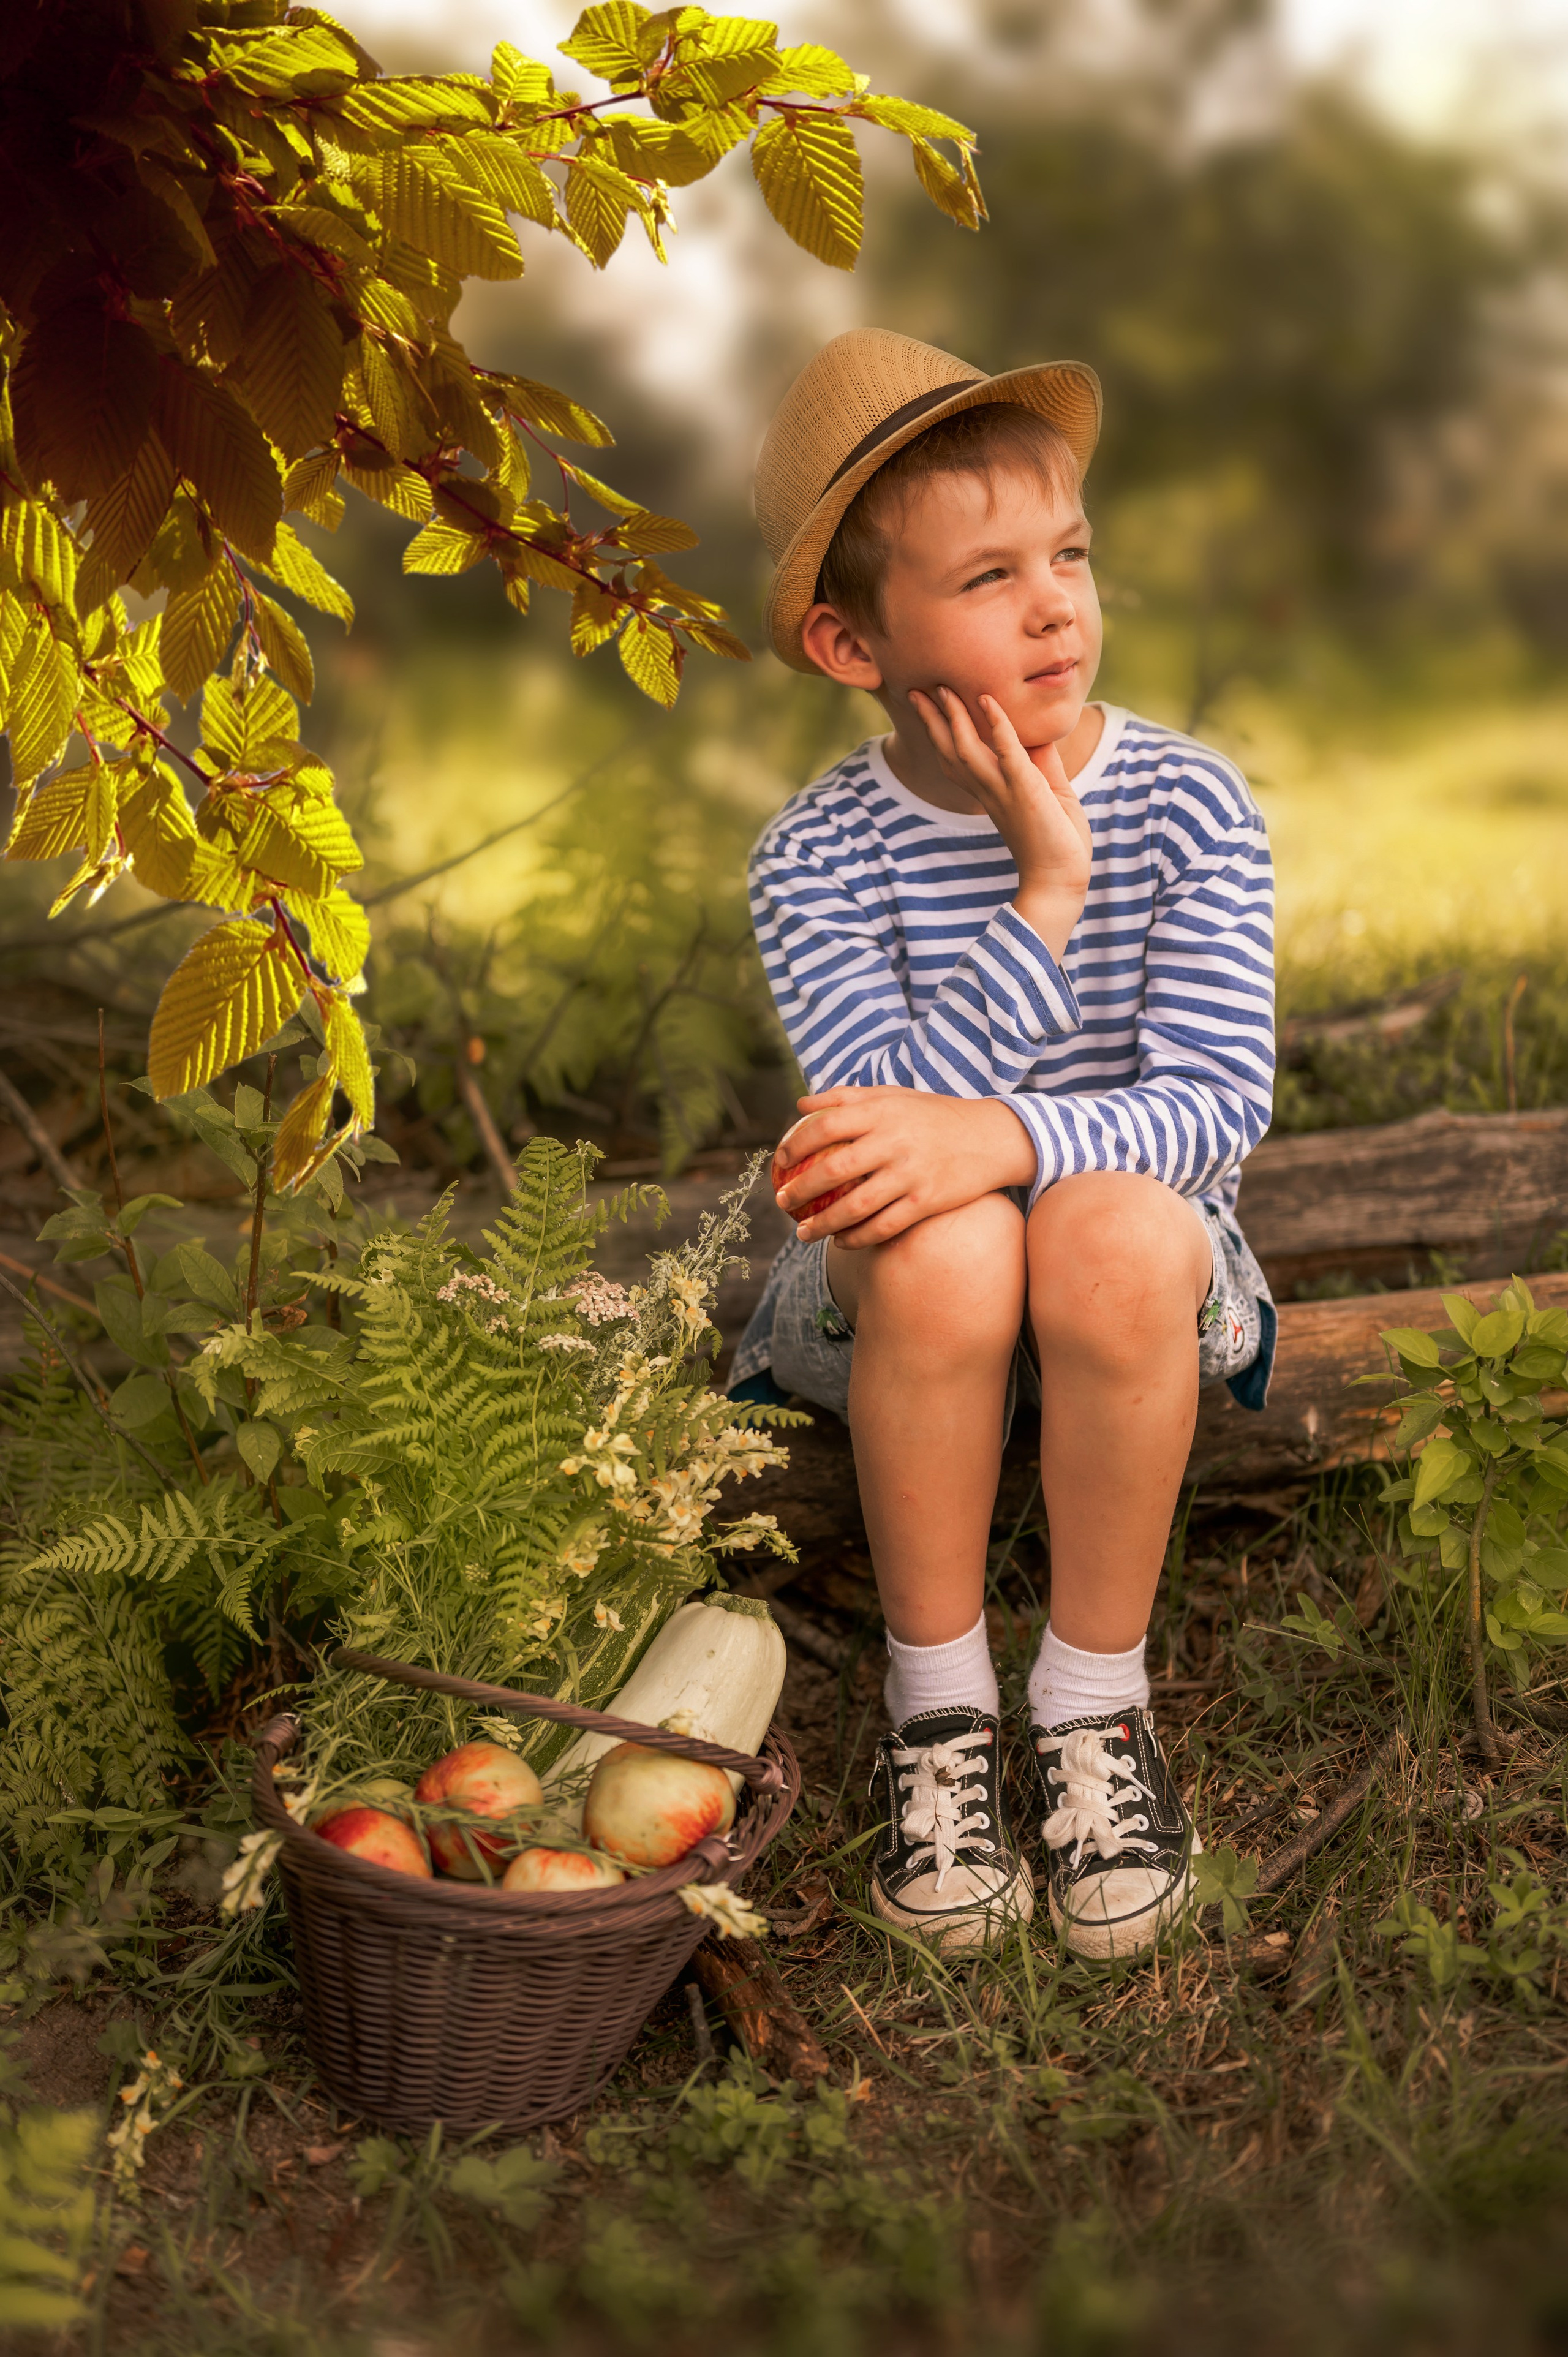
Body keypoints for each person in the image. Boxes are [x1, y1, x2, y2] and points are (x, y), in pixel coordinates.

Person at [728, 329, 1277, 1960]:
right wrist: (1042, 894)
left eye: (1071, 555)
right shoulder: (816, 858)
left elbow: (1211, 1103)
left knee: (1103, 1225)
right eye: (988, 577)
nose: (1057, 606)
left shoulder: (1189, 805)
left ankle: (1096, 1706)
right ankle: (942, 1712)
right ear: (851, 639)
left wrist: (998, 1139)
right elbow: (873, 1145)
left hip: (1138, 1273)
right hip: (912, 1300)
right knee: (948, 1231)